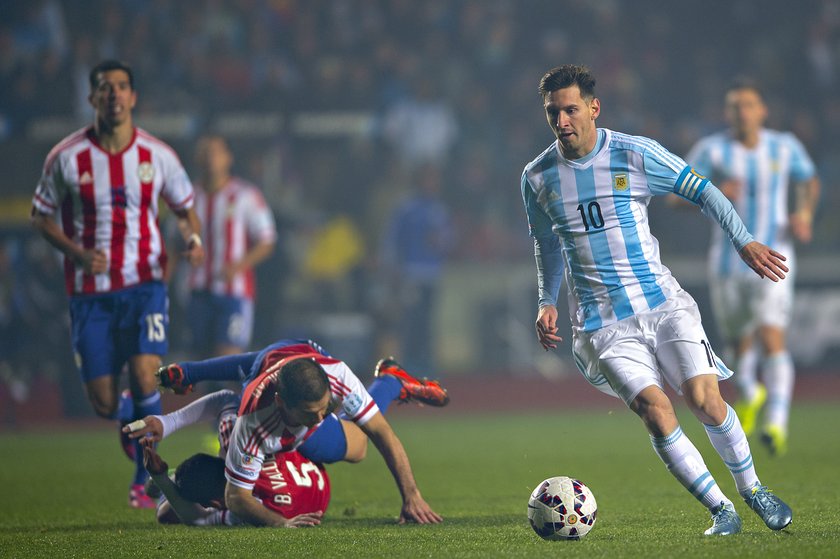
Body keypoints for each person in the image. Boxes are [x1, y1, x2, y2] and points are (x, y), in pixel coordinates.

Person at [521, 64, 792, 536]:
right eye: (552, 113)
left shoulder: (634, 153)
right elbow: (547, 244)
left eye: (569, 109)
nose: (562, 121)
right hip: (602, 323)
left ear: (592, 107)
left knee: (706, 401)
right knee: (655, 409)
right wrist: (546, 299)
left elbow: (704, 190)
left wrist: (743, 240)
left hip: (663, 304)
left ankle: (753, 490)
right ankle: (720, 509)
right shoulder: (537, 177)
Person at [30, 59, 205, 508]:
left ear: (133, 97)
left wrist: (192, 237)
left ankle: (142, 478)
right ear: (92, 98)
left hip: (145, 283)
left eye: (122, 87)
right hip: (90, 294)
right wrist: (76, 253)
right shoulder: (66, 157)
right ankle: (129, 407)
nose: (114, 94)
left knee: (148, 373)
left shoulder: (157, 155)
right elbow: (40, 216)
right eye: (105, 88)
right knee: (105, 403)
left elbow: (185, 208)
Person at [129, 338, 448, 526]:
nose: (321, 417)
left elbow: (383, 432)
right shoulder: (252, 423)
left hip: (287, 355)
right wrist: (283, 525)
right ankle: (390, 381)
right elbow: (235, 498)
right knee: (358, 446)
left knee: (362, 442)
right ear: (282, 404)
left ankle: (390, 382)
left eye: (325, 408)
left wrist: (412, 496)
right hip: (270, 391)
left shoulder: (336, 376)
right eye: (311, 414)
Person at [684, 79, 821, 456]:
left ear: (763, 111)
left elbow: (808, 180)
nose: (741, 112)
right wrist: (709, 190)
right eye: (734, 106)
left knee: (771, 335)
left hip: (774, 256)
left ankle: (776, 423)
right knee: (737, 344)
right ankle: (750, 391)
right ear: (726, 113)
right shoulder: (712, 149)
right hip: (727, 263)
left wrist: (803, 214)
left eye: (748, 105)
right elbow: (675, 196)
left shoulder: (784, 145)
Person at [134, 388, 329, 527]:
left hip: (320, 496)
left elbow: (198, 519)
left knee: (166, 515)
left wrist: (161, 479)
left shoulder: (246, 510)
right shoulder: (233, 435)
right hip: (317, 470)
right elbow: (226, 398)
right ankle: (172, 480)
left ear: (215, 505)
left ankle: (171, 481)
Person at [185, 134, 277, 358]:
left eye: (216, 152)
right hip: (197, 291)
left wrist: (238, 266)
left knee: (229, 360)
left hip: (234, 294)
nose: (210, 158)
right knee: (201, 364)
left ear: (228, 158)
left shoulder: (246, 195)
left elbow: (267, 240)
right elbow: (175, 240)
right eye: (205, 152)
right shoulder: (188, 197)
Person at [379, 164, 453, 373]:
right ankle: (410, 364)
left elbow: (448, 239)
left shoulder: (439, 209)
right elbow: (392, 240)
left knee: (428, 321)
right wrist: (392, 268)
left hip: (432, 274)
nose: (433, 184)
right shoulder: (407, 208)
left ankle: (425, 363)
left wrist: (441, 243)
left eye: (436, 180)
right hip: (411, 273)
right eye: (430, 179)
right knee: (412, 320)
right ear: (420, 181)